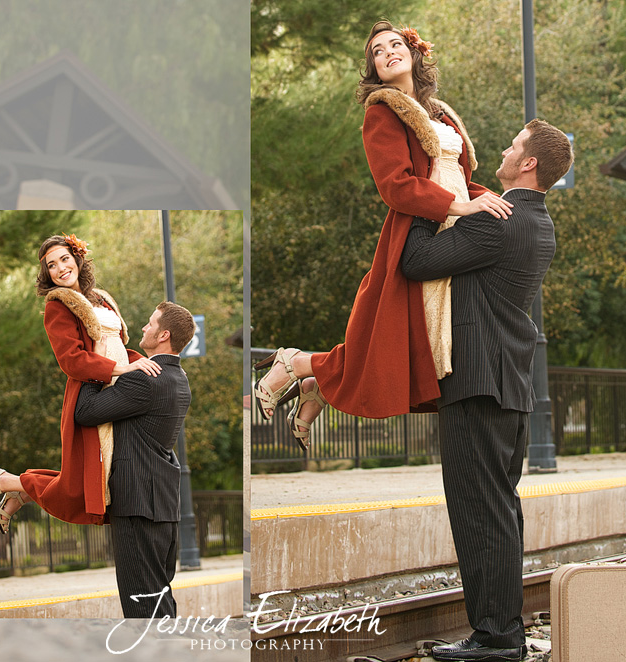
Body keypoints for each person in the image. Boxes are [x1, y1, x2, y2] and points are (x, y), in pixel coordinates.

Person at [253, 20, 513, 449]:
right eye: (378, 50)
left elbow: (461, 179)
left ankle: (313, 381)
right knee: (394, 346)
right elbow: (395, 184)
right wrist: (459, 206)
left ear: (414, 55)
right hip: (421, 229)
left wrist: (504, 204)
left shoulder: (443, 113)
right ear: (373, 68)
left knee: (399, 345)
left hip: (457, 226)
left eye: (396, 44)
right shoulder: (382, 111)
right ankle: (298, 364)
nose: (389, 51)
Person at [400, 118, 574, 662]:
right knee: (497, 509)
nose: (503, 149)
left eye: (513, 145)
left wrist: (435, 200)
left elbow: (416, 261)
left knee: (478, 509)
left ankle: (497, 638)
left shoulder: (500, 219)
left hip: (478, 382)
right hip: (506, 383)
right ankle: (502, 633)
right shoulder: (536, 221)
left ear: (528, 164)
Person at [0, 234, 161, 532]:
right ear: (47, 273)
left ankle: (19, 489)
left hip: (117, 387)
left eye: (64, 259)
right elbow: (72, 361)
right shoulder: (59, 305)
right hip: (90, 390)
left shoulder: (103, 298)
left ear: (77, 259)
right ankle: (2, 482)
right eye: (52, 265)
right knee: (79, 489)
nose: (60, 268)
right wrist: (123, 370)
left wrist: (150, 365)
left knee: (90, 479)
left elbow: (118, 347)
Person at [74, 301, 195, 619]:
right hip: (163, 505)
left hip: (138, 503)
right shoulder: (179, 379)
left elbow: (85, 412)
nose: (144, 327)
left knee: (142, 605)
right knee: (158, 598)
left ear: (163, 334)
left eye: (151, 323)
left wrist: (95, 367)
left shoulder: (146, 379)